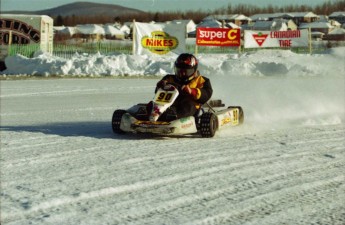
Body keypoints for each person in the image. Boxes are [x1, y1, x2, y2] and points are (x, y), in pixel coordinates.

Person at [149, 53, 213, 121]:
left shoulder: (201, 80)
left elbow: (206, 93)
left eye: (186, 71)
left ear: (194, 70)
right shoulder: (169, 78)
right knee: (152, 104)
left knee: (188, 106)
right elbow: (158, 94)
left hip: (190, 107)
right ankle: (153, 114)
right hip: (169, 104)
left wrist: (192, 91)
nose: (182, 74)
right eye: (179, 71)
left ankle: (174, 116)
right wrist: (160, 86)